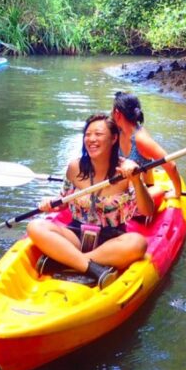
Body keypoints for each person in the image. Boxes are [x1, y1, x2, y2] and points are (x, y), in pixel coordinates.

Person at [26, 113, 156, 289]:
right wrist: (50, 203)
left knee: (138, 243)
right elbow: (63, 201)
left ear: (113, 138)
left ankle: (66, 261)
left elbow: (148, 211)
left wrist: (136, 180)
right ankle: (93, 269)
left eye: (98, 134)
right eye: (88, 134)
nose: (91, 139)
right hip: (75, 234)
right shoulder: (74, 167)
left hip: (111, 239)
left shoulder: (127, 169)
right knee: (35, 226)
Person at [112, 91, 183, 198]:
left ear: (117, 113)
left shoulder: (141, 139)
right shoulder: (119, 130)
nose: (111, 114)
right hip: (123, 187)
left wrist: (177, 193)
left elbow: (171, 165)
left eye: (112, 111)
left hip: (140, 191)